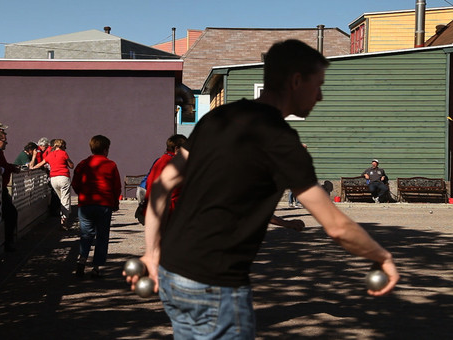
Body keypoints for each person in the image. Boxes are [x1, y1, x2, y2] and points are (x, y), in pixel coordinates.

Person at [125, 40, 399, 339]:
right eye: (317, 85)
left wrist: (152, 253)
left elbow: (163, 184)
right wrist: (381, 255)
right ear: (296, 81)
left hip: (172, 273)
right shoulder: (283, 143)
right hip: (215, 284)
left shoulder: (219, 118)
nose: (320, 96)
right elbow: (335, 226)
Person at [71, 135, 121, 278]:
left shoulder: (83, 164)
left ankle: (82, 259)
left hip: (86, 203)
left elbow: (75, 183)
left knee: (86, 234)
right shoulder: (111, 165)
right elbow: (116, 187)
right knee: (102, 236)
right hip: (104, 204)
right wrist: (115, 203)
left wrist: (82, 193)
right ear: (106, 150)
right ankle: (96, 267)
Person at [143, 134, 188, 214]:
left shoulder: (161, 160)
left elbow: (149, 183)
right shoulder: (173, 164)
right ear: (177, 149)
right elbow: (175, 192)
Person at [45, 139, 75, 228]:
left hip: (53, 179)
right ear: (61, 146)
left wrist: (32, 167)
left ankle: (65, 214)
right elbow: (71, 166)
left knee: (61, 198)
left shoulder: (50, 154)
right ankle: (64, 220)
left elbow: (42, 163)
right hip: (63, 177)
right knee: (65, 199)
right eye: (65, 146)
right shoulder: (63, 153)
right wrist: (68, 161)